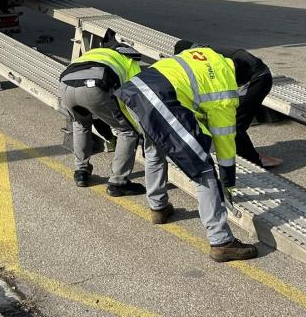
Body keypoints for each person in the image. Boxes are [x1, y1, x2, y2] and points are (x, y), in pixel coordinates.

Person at [117, 45, 259, 262]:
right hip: (161, 99)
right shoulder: (226, 89)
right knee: (203, 167)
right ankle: (221, 242)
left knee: (155, 149)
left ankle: (158, 207)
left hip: (135, 91)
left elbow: (190, 92)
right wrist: (228, 180)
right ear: (241, 82)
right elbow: (225, 140)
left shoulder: (208, 55)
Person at [59, 34, 147, 197]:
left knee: (81, 123)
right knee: (127, 131)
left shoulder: (97, 52)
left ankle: (81, 172)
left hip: (66, 84)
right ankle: (118, 183)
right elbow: (134, 95)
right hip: (94, 87)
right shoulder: (130, 60)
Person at [175, 41, 281, 169]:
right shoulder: (201, 53)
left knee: (233, 124)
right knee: (230, 123)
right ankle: (242, 154)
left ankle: (253, 162)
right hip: (246, 74)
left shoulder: (209, 60)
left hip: (257, 78)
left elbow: (220, 87)